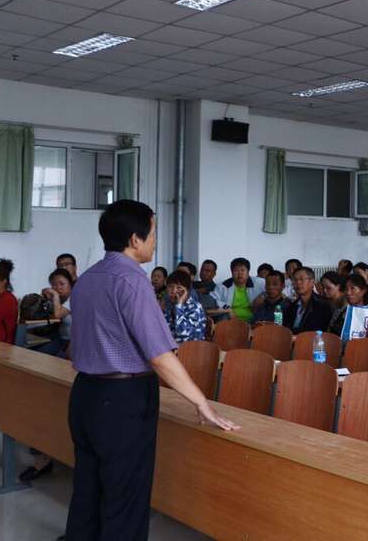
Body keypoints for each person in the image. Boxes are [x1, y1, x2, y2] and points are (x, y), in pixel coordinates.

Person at [64, 200, 237, 540]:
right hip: (123, 400)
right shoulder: (132, 281)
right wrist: (201, 402)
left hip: (84, 394)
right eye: (153, 233)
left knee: (87, 490)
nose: (155, 240)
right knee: (124, 497)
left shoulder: (86, 280)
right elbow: (159, 356)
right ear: (135, 239)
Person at [36, 267, 74, 356]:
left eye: (62, 284)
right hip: (60, 338)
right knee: (38, 353)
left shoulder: (74, 298)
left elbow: (57, 315)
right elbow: (45, 314)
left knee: (54, 360)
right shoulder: (61, 299)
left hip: (73, 342)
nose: (58, 287)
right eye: (54, 284)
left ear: (70, 284)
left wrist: (55, 295)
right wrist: (47, 299)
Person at [212, 257, 265, 322]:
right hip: (230, 321)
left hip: (255, 321)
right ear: (232, 273)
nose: (240, 273)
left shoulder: (259, 283)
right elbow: (212, 300)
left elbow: (272, 289)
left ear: (248, 272)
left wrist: (263, 296)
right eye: (236, 270)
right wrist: (228, 309)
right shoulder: (223, 286)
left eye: (242, 270)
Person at [283, 267, 333, 335]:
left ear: (312, 282)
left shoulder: (322, 305)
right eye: (295, 280)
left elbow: (319, 331)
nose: (298, 282)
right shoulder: (291, 306)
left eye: (301, 279)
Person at [163, 270, 206, 343]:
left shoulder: (195, 307)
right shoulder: (170, 304)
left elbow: (183, 332)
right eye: (170, 286)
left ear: (187, 291)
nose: (174, 291)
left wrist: (179, 305)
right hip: (171, 346)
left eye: (179, 288)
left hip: (190, 348)